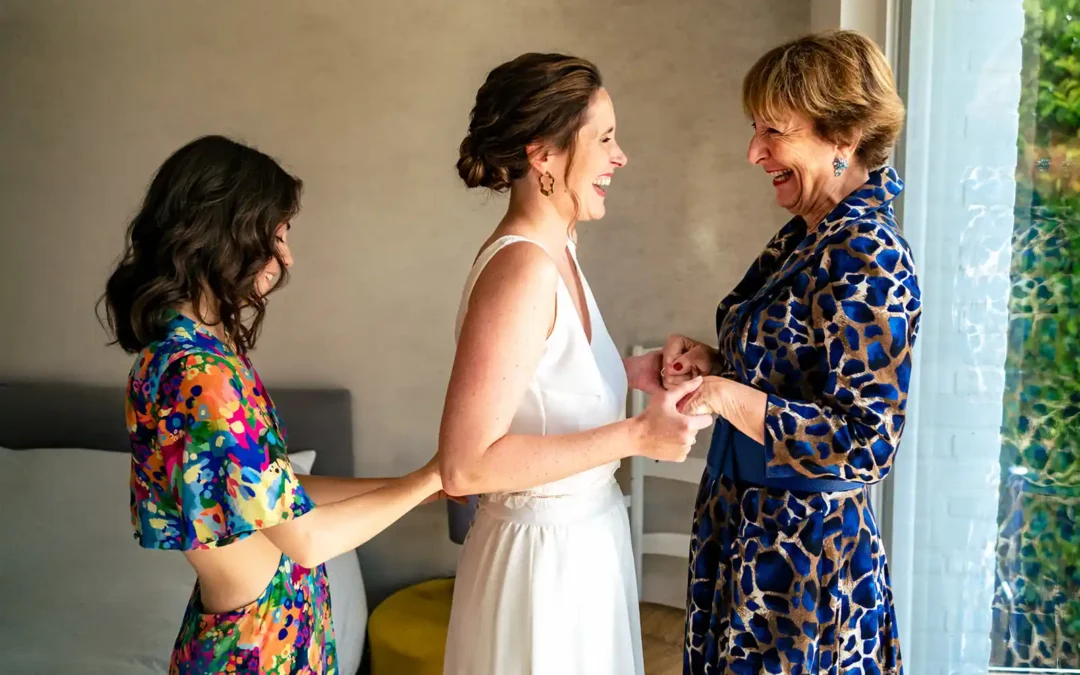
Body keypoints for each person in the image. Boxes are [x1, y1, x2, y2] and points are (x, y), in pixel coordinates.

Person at [100, 135, 446, 674]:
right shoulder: (200, 376)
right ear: (223, 234)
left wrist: (408, 487)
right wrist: (422, 484)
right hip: (255, 651)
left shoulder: (196, 354)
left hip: (269, 636)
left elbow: (276, 494)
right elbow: (304, 540)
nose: (285, 257)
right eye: (277, 235)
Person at [439, 53, 713, 675]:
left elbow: (540, 380)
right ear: (544, 155)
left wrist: (633, 372)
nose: (621, 157)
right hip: (541, 567)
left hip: (585, 547)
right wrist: (638, 435)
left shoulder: (558, 248)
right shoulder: (522, 269)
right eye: (606, 138)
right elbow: (465, 465)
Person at [661, 31, 920, 674]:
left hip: (804, 567)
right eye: (756, 129)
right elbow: (796, 377)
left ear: (844, 135)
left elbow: (866, 444)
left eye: (774, 131)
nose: (755, 152)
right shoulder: (808, 235)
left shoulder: (867, 253)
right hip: (744, 533)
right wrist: (717, 366)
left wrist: (729, 397)